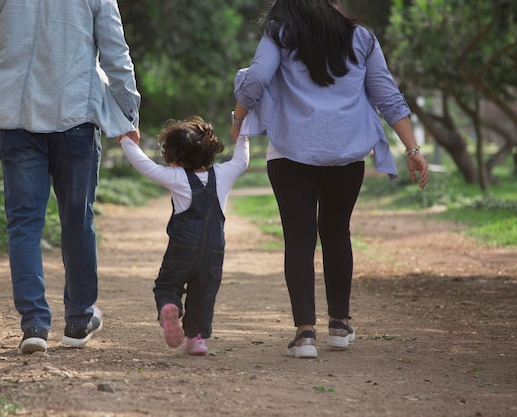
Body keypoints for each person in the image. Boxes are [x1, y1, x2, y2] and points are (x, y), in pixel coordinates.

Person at [231, 0, 428, 359]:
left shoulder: (281, 32)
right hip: (347, 153)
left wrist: (238, 115)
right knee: (337, 232)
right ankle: (339, 324)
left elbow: (257, 77)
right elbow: (387, 95)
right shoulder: (362, 38)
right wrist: (412, 150)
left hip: (290, 152)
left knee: (298, 238)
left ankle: (305, 334)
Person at [0, 0, 141, 354]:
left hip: (16, 122)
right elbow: (116, 54)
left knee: (23, 225)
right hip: (77, 119)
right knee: (78, 222)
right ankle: (79, 319)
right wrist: (129, 114)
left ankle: (34, 324)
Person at [118, 117, 249, 355]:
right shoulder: (223, 174)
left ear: (174, 158)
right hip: (214, 250)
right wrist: (242, 134)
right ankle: (197, 339)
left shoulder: (177, 177)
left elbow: (144, 165)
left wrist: (128, 141)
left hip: (183, 247)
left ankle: (170, 305)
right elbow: (242, 160)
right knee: (204, 290)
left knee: (167, 284)